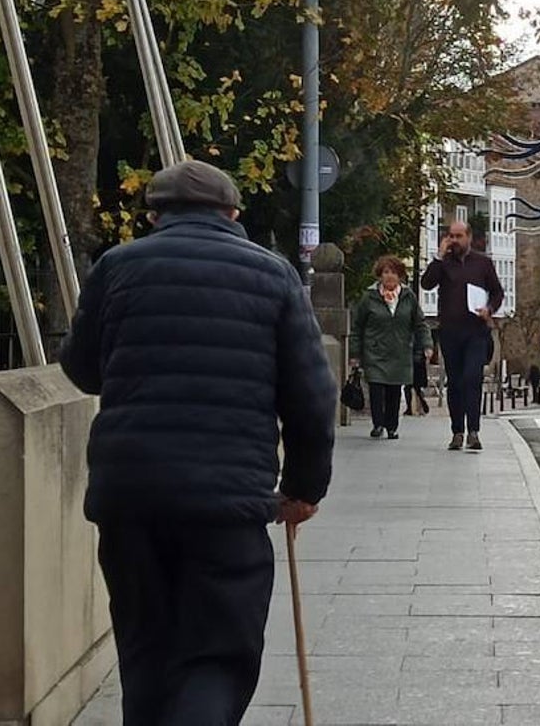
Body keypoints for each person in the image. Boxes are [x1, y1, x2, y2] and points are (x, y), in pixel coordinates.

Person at [59, 160, 336, 726]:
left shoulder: (116, 267)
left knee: (146, 652)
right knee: (217, 655)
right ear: (233, 213)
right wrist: (304, 489)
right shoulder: (273, 275)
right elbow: (310, 395)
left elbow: (83, 369)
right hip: (226, 501)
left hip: (131, 495)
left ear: (156, 214)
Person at [421, 220, 504, 451]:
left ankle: (474, 431)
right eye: (451, 236)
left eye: (459, 236)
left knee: (471, 378)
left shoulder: (483, 263)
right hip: (450, 331)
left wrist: (489, 309)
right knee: (455, 382)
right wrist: (438, 256)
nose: (455, 241)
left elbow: (497, 292)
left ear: (468, 237)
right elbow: (426, 284)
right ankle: (457, 431)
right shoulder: (443, 263)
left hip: (475, 331)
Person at [350, 255, 432, 440]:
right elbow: (357, 327)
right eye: (386, 272)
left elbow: (420, 323)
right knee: (377, 389)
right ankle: (378, 424)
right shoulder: (369, 297)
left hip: (399, 352)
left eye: (393, 272)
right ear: (380, 275)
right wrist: (355, 353)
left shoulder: (408, 297)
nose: (389, 276)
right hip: (375, 352)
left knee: (394, 391)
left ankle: (392, 426)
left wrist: (427, 344)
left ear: (400, 276)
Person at [404, 337, 431, 417]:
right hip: (419, 358)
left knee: (410, 386)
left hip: (411, 357)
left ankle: (413, 408)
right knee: (416, 386)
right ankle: (418, 407)